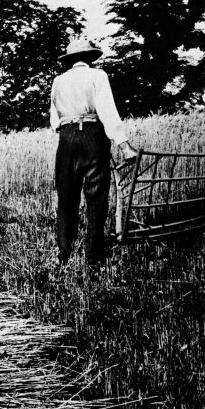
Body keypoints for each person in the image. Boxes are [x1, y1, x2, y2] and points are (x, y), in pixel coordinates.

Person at [50, 38, 138, 270]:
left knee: (66, 195)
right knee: (96, 197)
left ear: (69, 60)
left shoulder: (58, 81)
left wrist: (69, 131)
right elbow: (107, 110)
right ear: (90, 58)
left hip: (66, 137)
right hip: (92, 134)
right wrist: (124, 145)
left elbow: (53, 118)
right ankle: (92, 257)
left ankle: (64, 252)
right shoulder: (98, 76)